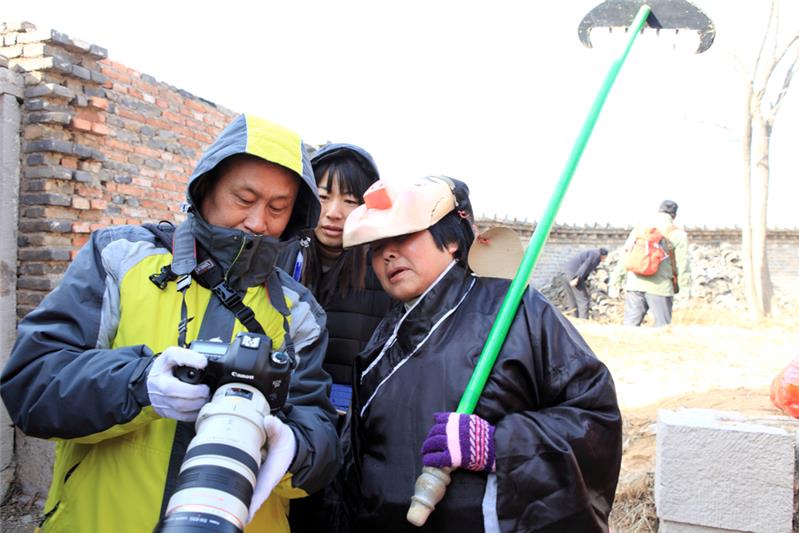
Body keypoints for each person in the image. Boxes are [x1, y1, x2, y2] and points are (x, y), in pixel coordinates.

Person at [0, 114, 340, 533]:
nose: (257, 222)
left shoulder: (298, 312)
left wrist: (293, 449)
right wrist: (139, 384)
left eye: (277, 208)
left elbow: (320, 436)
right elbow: (32, 386)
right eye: (244, 198)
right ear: (206, 187)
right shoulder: (120, 258)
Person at [341, 176, 623, 532]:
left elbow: (594, 419)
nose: (388, 254)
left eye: (404, 236)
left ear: (451, 241)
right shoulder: (382, 341)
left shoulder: (517, 311)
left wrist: (498, 446)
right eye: (376, 246)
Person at [278, 143, 394, 532]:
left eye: (350, 200)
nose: (333, 213)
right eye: (324, 196)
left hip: (355, 437)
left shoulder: (385, 266)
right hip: (288, 425)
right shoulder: (279, 257)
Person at [611, 199, 691, 327]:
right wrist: (685, 291)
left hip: (635, 284)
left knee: (629, 329)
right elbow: (683, 265)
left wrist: (616, 281)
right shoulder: (678, 234)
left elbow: (625, 255)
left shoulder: (640, 229)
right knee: (662, 329)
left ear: (658, 211)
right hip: (660, 287)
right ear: (674, 216)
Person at [555, 247, 609, 319]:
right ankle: (583, 321)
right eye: (604, 258)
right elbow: (585, 266)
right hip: (573, 275)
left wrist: (584, 280)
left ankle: (574, 320)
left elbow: (587, 269)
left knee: (572, 300)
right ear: (603, 256)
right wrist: (576, 278)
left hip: (564, 274)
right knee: (583, 301)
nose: (604, 260)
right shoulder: (596, 255)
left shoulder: (592, 252)